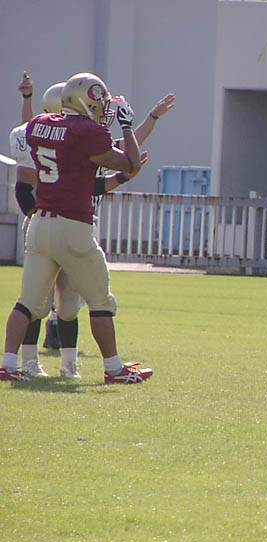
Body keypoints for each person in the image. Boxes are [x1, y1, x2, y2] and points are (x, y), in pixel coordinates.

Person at [0, 72, 152, 384]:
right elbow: (131, 163)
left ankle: (8, 364)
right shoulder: (87, 132)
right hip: (72, 226)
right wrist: (126, 125)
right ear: (84, 100)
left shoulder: (39, 125)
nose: (103, 109)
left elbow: (62, 149)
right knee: (101, 302)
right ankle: (114, 369)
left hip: (39, 225)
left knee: (27, 303)